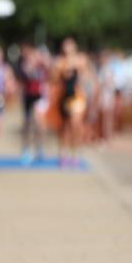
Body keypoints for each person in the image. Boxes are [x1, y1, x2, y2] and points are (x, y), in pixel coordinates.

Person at [51, 36, 89, 166]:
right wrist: (59, 70)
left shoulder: (80, 60)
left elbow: (84, 73)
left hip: (76, 96)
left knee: (76, 124)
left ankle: (75, 152)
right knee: (64, 127)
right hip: (63, 96)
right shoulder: (60, 62)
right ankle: (63, 153)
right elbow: (53, 79)